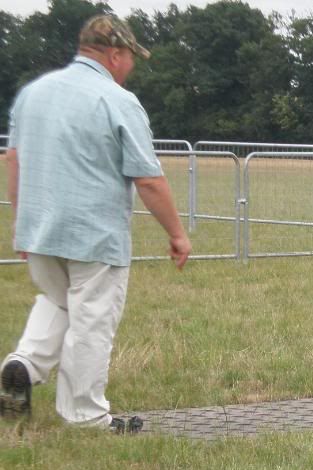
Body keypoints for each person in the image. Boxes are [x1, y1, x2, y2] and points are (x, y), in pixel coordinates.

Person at [0, 15, 192, 431]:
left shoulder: (32, 93)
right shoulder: (118, 100)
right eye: (131, 57)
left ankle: (23, 364)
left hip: (39, 228)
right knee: (91, 320)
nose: (131, 67)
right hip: (94, 234)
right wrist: (177, 234)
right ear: (115, 54)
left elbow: (13, 159)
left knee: (57, 301)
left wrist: (21, 222)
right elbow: (148, 179)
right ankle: (85, 416)